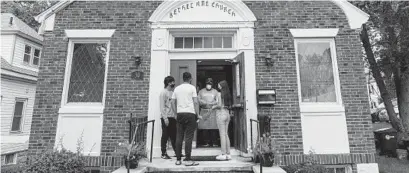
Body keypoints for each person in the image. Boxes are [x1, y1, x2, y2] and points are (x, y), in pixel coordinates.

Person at [171, 72, 201, 166]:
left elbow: (172, 102)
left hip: (180, 113)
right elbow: (195, 102)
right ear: (190, 79)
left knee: (179, 137)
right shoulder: (192, 88)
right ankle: (188, 159)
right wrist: (198, 114)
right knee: (188, 137)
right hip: (190, 113)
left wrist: (175, 113)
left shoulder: (177, 88)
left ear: (183, 78)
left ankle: (178, 159)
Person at [212, 80, 233, 161]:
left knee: (222, 135)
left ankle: (223, 154)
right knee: (226, 134)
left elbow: (219, 105)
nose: (218, 86)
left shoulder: (219, 94)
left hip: (221, 114)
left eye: (219, 85)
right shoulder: (228, 95)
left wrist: (213, 107)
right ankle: (228, 154)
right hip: (227, 114)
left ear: (221, 86)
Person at [159, 76, 177, 159]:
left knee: (174, 136)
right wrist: (165, 118)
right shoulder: (163, 92)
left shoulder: (173, 93)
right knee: (165, 135)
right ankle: (163, 153)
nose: (174, 83)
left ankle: (177, 152)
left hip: (172, 117)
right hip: (166, 117)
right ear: (169, 83)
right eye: (172, 82)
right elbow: (162, 106)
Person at [197, 78, 219, 147]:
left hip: (212, 111)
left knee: (213, 127)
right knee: (204, 127)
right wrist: (203, 102)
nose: (209, 85)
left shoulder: (215, 91)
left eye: (210, 84)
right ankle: (205, 142)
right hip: (204, 110)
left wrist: (212, 103)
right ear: (205, 84)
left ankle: (214, 142)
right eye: (207, 84)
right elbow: (198, 99)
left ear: (212, 84)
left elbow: (218, 101)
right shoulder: (201, 91)